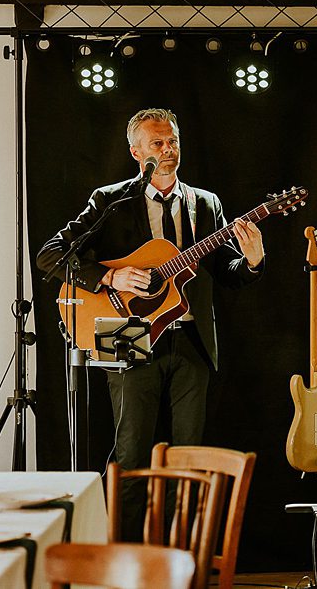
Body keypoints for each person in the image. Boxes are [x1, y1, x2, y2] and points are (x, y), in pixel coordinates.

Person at [36, 108, 264, 540]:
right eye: (157, 143)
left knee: (191, 459)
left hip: (193, 340)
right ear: (136, 152)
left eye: (173, 141)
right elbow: (50, 255)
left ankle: (183, 558)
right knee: (132, 455)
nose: (168, 150)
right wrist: (109, 275)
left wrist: (253, 262)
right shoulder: (111, 200)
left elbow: (227, 273)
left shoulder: (205, 203)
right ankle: (124, 559)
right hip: (128, 333)